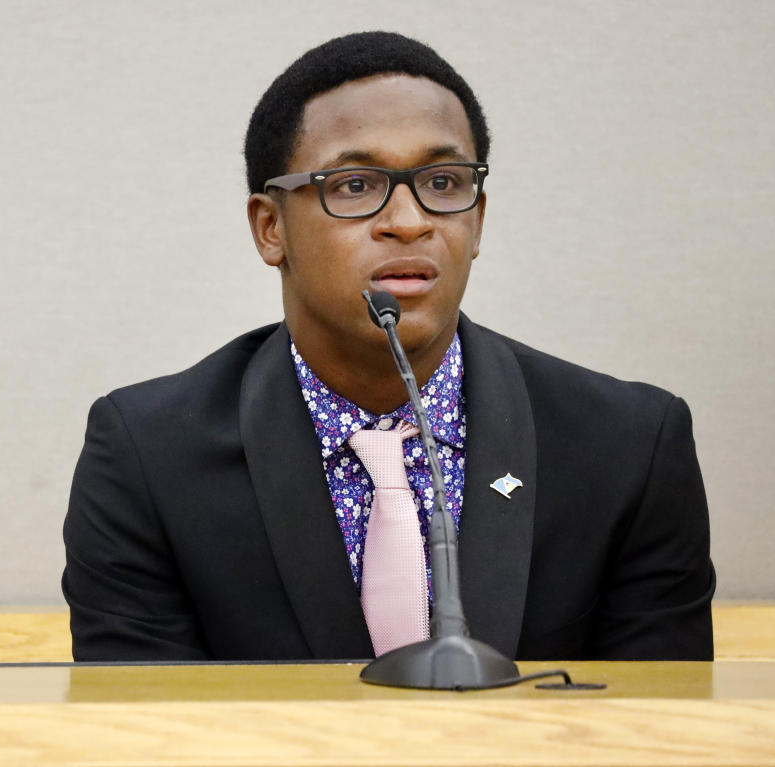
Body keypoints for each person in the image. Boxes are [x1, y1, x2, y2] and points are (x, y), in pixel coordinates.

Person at [62, 31, 715, 662]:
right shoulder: (149, 456)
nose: (409, 221)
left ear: (478, 219)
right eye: (355, 186)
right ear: (270, 228)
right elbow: (144, 728)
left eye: (442, 183)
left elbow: (659, 726)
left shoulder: (628, 447)